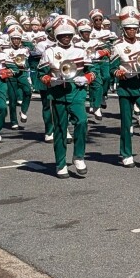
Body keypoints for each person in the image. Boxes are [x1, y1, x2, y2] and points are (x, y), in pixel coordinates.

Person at [40, 17, 93, 178]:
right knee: (60, 129)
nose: (66, 37)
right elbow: (41, 74)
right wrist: (50, 80)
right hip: (58, 95)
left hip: (76, 92)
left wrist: (86, 78)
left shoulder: (80, 51)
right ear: (56, 35)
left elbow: (93, 71)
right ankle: (60, 163)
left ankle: (78, 156)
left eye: (69, 34)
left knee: (82, 122)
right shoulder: (49, 52)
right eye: (62, 35)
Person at [111, 6, 140, 168]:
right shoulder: (117, 45)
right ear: (123, 29)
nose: (132, 31)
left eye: (134, 29)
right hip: (126, 86)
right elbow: (112, 66)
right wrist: (116, 71)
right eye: (128, 29)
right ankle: (126, 153)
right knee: (126, 122)